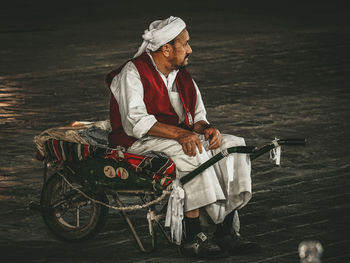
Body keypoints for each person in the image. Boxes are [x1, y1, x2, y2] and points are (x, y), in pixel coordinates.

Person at [107, 16, 258, 258]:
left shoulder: (182, 75)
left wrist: (208, 128)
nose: (190, 49)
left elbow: (198, 116)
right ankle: (192, 237)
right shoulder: (133, 72)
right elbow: (135, 122)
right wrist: (182, 135)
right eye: (185, 44)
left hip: (176, 136)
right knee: (192, 150)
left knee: (233, 146)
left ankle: (226, 229)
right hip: (138, 142)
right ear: (166, 49)